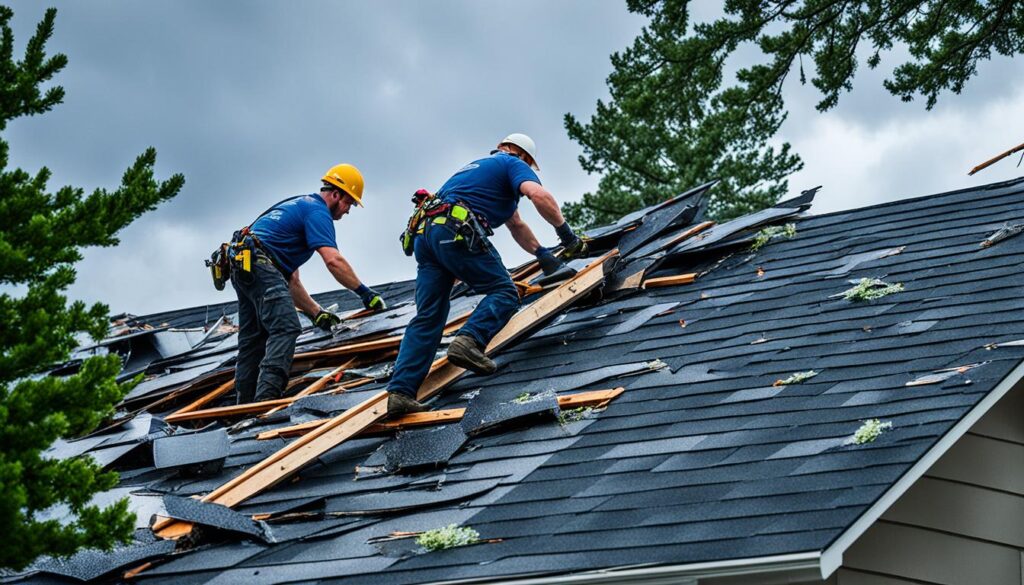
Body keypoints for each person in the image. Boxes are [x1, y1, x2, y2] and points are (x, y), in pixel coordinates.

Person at [386, 134, 586, 416]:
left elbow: (516, 225)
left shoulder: (476, 170)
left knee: (428, 316)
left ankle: (400, 392)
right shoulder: (512, 164)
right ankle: (469, 342)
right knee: (504, 292)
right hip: (454, 230)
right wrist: (567, 236)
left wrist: (543, 255)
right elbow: (539, 195)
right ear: (525, 158)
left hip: (426, 237)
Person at [231, 163, 386, 404]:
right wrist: (365, 293)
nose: (348, 211)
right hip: (261, 266)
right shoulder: (318, 212)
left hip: (245, 266)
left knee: (253, 339)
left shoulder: (299, 203)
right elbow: (333, 260)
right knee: (286, 327)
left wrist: (316, 313)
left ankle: (243, 406)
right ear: (336, 194)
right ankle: (264, 403)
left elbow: (290, 279)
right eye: (349, 203)